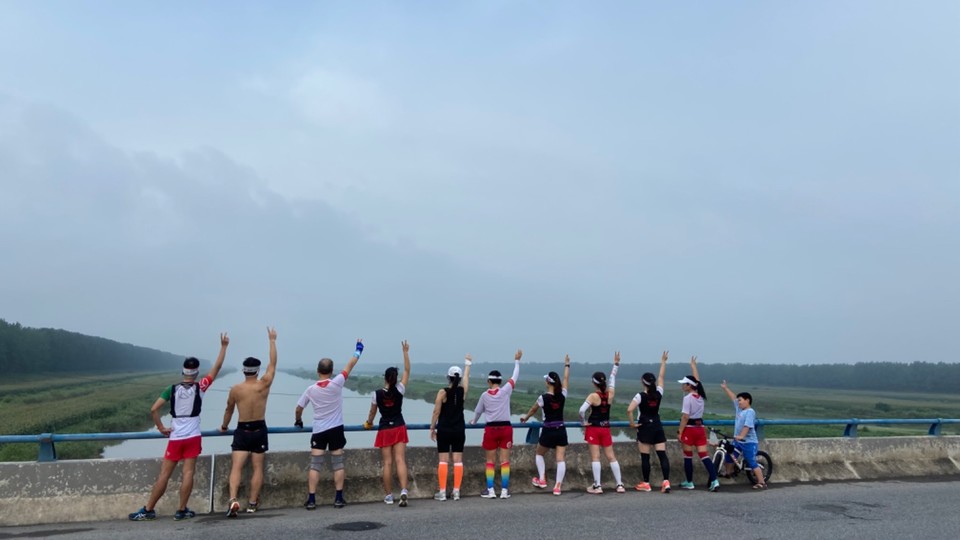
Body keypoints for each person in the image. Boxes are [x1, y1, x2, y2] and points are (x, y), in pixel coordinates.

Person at [128, 333, 229, 521]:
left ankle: (148, 510)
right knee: (188, 473)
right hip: (193, 437)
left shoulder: (172, 389)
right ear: (196, 373)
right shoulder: (201, 387)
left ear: (183, 372)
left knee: (164, 475)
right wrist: (223, 347)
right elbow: (216, 368)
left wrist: (161, 427)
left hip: (175, 438)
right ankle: (181, 510)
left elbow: (154, 409)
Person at [294, 339, 363, 510]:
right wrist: (358, 349)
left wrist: (299, 420)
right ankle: (338, 498)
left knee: (315, 465)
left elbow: (299, 408)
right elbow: (351, 364)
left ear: (318, 371)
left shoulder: (310, 389)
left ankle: (311, 500)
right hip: (336, 429)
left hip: (319, 430)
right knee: (338, 464)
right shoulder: (337, 382)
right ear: (331, 371)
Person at [219, 327, 279, 517]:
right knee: (257, 468)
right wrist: (272, 340)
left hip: (242, 429)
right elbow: (273, 363)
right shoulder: (264, 384)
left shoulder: (236, 389)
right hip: (259, 428)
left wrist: (224, 426)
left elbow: (229, 410)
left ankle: (233, 499)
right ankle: (252, 503)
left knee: (236, 467)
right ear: (257, 371)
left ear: (244, 371)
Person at [364, 340, 412, 507]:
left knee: (387, 463)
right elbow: (407, 370)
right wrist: (405, 352)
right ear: (395, 378)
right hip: (399, 426)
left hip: (385, 428)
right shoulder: (400, 389)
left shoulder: (376, 394)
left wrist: (369, 423)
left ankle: (389, 495)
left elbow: (372, 413)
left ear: (384, 378)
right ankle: (404, 490)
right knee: (400, 460)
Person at [470, 349, 522, 499]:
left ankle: (490, 490)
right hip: (506, 429)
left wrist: (474, 421)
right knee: (505, 461)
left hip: (491, 430)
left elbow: (478, 412)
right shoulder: (506, 391)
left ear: (489, 381)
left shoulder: (484, 395)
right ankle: (504, 491)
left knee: (490, 461)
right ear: (500, 381)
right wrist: (517, 361)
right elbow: (515, 376)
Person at [520, 354, 571, 496]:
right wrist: (567, 365)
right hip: (561, 430)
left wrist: (526, 418)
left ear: (548, 382)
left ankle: (542, 479)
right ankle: (557, 486)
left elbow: (533, 409)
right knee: (560, 459)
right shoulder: (563, 395)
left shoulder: (543, 398)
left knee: (539, 453)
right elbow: (566, 379)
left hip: (548, 430)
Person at [579, 351, 625, 494]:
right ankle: (620, 484)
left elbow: (581, 410)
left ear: (594, 382)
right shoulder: (610, 394)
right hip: (606, 428)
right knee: (611, 456)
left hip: (593, 428)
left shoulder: (593, 396)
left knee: (596, 457)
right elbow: (612, 379)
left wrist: (583, 422)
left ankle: (597, 486)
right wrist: (616, 364)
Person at [429, 353, 472, 501]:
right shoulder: (462, 392)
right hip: (459, 430)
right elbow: (466, 379)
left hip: (444, 430)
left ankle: (442, 492)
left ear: (448, 378)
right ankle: (456, 491)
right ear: (458, 379)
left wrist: (432, 428)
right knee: (458, 461)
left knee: (443, 460)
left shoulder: (442, 392)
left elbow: (436, 412)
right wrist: (467, 364)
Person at [627, 350, 671, 493]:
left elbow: (629, 410)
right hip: (657, 425)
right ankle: (666, 481)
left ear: (643, 382)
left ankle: (646, 483)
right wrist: (663, 362)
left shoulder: (640, 396)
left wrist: (632, 424)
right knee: (662, 455)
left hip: (645, 426)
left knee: (645, 457)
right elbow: (662, 377)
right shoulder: (659, 393)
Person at [677, 355, 720, 491]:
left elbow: (685, 417)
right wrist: (693, 366)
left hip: (689, 429)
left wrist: (680, 432)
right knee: (704, 456)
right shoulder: (700, 395)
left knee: (688, 456)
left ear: (689, 385)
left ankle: (689, 482)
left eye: (684, 384)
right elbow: (698, 381)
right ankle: (714, 480)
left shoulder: (688, 398)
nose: (682, 385)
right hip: (700, 429)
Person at [719, 380, 766, 489]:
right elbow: (733, 398)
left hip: (749, 442)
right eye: (738, 401)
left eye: (740, 400)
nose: (738, 402)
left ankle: (761, 482)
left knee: (751, 461)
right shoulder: (739, 409)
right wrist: (725, 388)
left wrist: (741, 436)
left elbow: (747, 426)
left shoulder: (750, 412)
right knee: (729, 456)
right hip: (738, 441)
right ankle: (728, 473)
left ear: (747, 400)